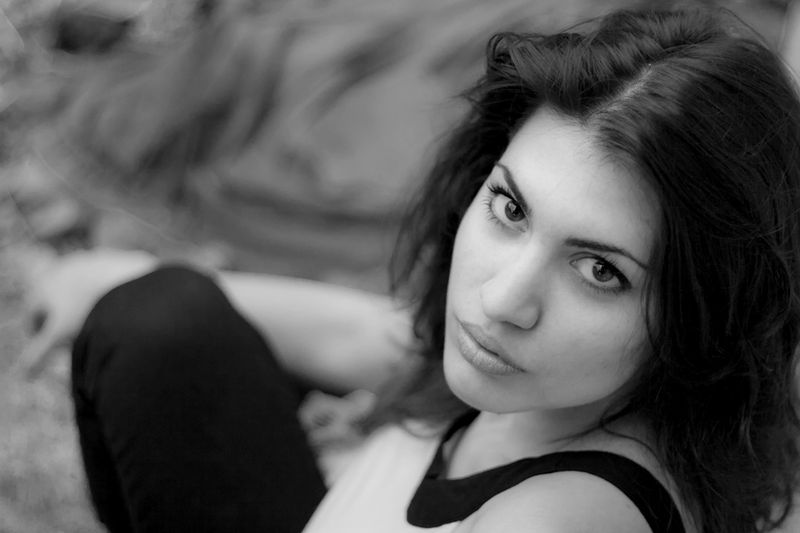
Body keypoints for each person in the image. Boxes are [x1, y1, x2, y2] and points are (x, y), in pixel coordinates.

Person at [61, 6, 800, 533]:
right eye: (511, 208)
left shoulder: (557, 516)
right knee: (161, 324)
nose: (503, 299)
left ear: (702, 312)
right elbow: (368, 336)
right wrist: (118, 276)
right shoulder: (555, 389)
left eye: (600, 271)